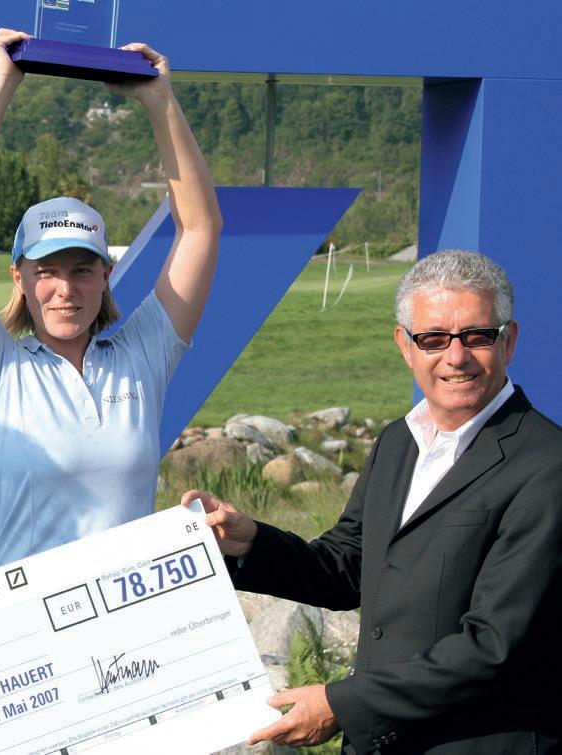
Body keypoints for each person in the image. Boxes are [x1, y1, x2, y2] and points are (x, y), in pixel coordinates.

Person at [182, 250, 562, 754]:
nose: (456, 356)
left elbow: (495, 645)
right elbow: (348, 566)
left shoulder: (547, 465)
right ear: (405, 345)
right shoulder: (399, 441)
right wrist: (250, 542)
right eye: (433, 338)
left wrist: (342, 705)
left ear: (508, 341)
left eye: (476, 336)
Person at [0, 29, 222, 568]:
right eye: (46, 271)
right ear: (19, 278)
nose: (65, 288)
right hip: (29, 619)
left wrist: (160, 99)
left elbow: (201, 229)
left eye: (82, 270)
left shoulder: (143, 354)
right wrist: (0, 83)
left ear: (106, 275)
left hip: (131, 610)